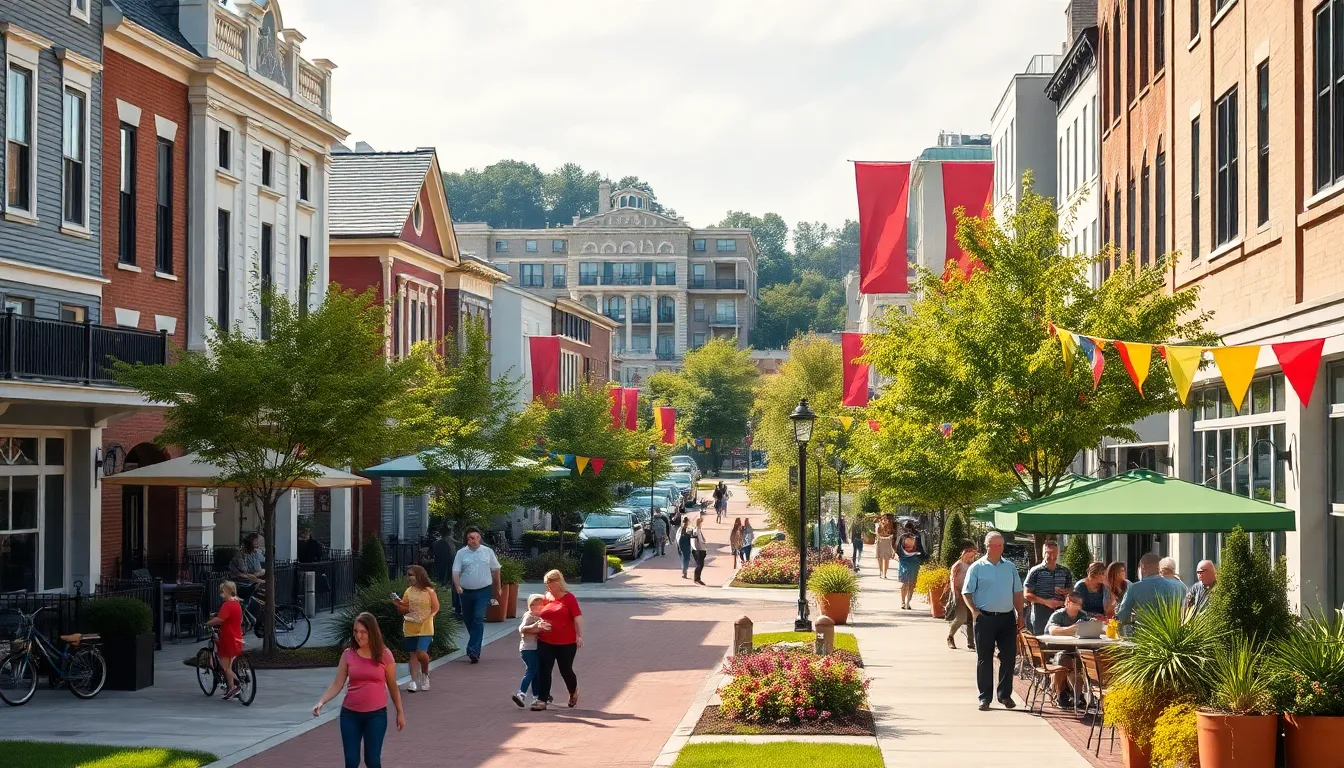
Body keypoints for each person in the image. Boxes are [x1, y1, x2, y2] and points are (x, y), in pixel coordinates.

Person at [313, 612, 405, 768]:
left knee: (372, 761)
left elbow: (392, 686)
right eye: (356, 631)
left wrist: (400, 712)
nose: (358, 636)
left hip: (376, 716)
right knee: (351, 761)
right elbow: (337, 683)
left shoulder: (384, 655)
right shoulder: (348, 655)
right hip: (350, 715)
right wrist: (321, 702)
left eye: (363, 632)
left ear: (372, 632)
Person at [961, 531, 1024, 711]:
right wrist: (975, 612)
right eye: (995, 545)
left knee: (1008, 657)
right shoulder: (977, 567)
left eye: (1001, 545)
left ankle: (1004, 695)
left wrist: (1020, 614)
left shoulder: (1010, 567)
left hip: (1006, 618)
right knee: (984, 658)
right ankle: (984, 697)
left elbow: (1017, 592)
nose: (999, 548)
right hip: (985, 618)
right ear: (987, 546)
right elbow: (967, 592)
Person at [531, 570, 583, 711]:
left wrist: (579, 636)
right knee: (544, 669)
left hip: (566, 642)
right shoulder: (546, 597)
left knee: (565, 670)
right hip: (545, 640)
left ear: (559, 583)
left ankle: (573, 691)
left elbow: (578, 617)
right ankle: (542, 699)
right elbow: (538, 613)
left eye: (551, 584)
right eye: (546, 584)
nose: (548, 587)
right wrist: (538, 624)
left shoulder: (569, 598)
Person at [451, 527, 502, 663]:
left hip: (483, 591)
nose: (473, 540)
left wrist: (498, 587)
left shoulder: (487, 552)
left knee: (478, 617)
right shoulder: (461, 553)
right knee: (468, 619)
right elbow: (455, 571)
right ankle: (475, 644)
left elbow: (496, 569)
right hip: (466, 592)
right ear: (466, 540)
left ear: (480, 538)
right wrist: (457, 586)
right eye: (470, 538)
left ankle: (473, 650)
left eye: (476, 538)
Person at [392, 565, 439, 692]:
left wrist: (427, 617)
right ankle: (413, 681)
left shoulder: (429, 591)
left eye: (411, 575)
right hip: (410, 626)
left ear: (419, 575)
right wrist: (398, 604)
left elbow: (435, 608)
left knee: (421, 652)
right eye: (408, 575)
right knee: (412, 654)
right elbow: (403, 609)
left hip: (425, 626)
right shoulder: (408, 591)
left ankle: (425, 674)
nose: (408, 578)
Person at [1045, 591, 1094, 708]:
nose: (1078, 607)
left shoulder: (1082, 615)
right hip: (1056, 650)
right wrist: (1072, 629)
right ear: (1067, 602)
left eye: (1080, 604)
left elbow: (1090, 629)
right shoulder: (1058, 615)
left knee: (1088, 659)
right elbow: (1053, 630)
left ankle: (1082, 695)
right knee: (1062, 659)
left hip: (1076, 650)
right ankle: (1060, 694)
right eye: (1075, 603)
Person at [1115, 553, 1188, 626]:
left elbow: (1122, 616)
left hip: (1145, 631)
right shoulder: (1180, 587)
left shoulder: (1134, 588)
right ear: (1158, 567)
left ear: (1143, 567)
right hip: (1174, 631)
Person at [1023, 540, 1074, 636]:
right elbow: (1026, 594)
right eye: (1049, 553)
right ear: (1043, 553)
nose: (1052, 556)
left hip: (1061, 612)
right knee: (1042, 640)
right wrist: (1046, 602)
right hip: (1040, 613)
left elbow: (1071, 592)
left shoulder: (1065, 571)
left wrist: (1065, 592)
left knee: (1061, 640)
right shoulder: (1035, 571)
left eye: (1055, 553)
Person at [205, 580, 245, 700]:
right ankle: (231, 688)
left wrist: (208, 623)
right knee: (229, 664)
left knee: (225, 666)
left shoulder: (227, 605)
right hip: (237, 635)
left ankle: (239, 683)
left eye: (222, 592)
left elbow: (220, 619)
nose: (221, 594)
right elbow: (240, 619)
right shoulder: (237, 604)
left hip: (228, 636)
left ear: (227, 591)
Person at [513, 594, 552, 708]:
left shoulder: (540, 617)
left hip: (534, 648)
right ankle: (521, 693)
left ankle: (536, 696)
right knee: (532, 670)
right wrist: (536, 627)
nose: (536, 607)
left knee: (536, 673)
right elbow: (522, 628)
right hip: (528, 649)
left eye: (540, 604)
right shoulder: (529, 616)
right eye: (533, 605)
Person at [946, 540, 978, 650]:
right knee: (961, 617)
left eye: (973, 555)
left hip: (972, 595)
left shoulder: (975, 565)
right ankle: (950, 636)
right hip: (960, 594)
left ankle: (971, 642)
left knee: (972, 618)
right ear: (964, 553)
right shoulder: (958, 565)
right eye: (969, 554)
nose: (971, 557)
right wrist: (955, 593)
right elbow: (952, 580)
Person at [229, 532, 266, 603]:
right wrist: (259, 579)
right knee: (245, 601)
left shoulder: (254, 553)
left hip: (250, 582)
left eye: (257, 542)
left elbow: (262, 563)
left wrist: (258, 574)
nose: (257, 544)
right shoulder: (240, 556)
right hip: (241, 584)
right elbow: (243, 574)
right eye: (255, 542)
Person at [895, 534, 924, 610]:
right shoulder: (902, 537)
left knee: (912, 584)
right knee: (905, 582)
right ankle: (903, 602)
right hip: (904, 562)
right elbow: (896, 549)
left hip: (914, 563)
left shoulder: (918, 537)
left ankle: (908, 602)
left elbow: (922, 551)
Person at [874, 514, 896, 579]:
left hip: (887, 542)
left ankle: (885, 573)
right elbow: (877, 534)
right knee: (880, 558)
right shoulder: (878, 525)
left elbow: (893, 534)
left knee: (886, 559)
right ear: (881, 519)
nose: (885, 519)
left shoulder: (890, 525)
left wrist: (890, 536)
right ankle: (880, 572)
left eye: (886, 518)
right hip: (880, 542)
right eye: (883, 518)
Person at [690, 517, 709, 585]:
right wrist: (704, 545)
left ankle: (698, 578)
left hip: (700, 550)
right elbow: (699, 541)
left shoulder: (698, 530)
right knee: (700, 565)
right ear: (699, 524)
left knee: (701, 565)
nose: (701, 525)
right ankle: (696, 579)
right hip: (698, 550)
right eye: (701, 523)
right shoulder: (696, 531)